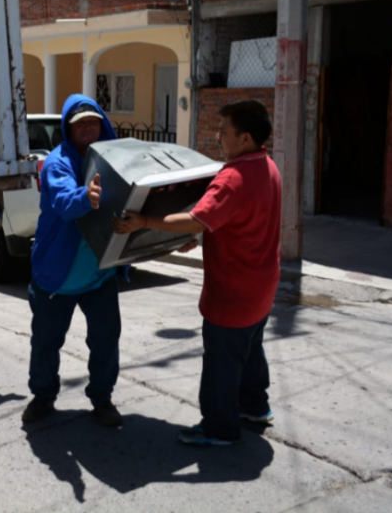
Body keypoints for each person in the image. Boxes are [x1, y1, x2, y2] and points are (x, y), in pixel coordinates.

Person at [114, 99, 281, 446]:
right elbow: (232, 220)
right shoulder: (267, 166)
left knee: (222, 362)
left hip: (232, 293)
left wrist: (144, 222)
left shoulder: (234, 177)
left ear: (245, 138)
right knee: (250, 352)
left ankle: (220, 428)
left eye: (224, 132)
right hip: (261, 288)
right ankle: (255, 407)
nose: (218, 137)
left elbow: (196, 217)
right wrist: (201, 234)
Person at [22, 93, 125, 427]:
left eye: (93, 122)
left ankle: (102, 398)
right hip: (58, 275)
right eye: (80, 124)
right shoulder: (57, 163)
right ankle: (42, 396)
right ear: (68, 129)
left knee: (107, 338)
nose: (88, 128)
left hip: (99, 273)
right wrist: (88, 195)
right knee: (47, 342)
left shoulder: (116, 159)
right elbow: (66, 203)